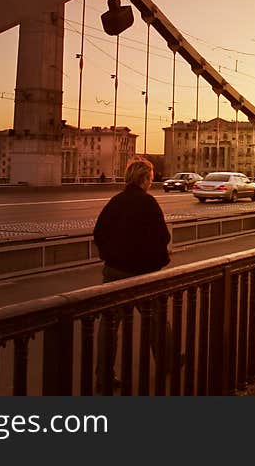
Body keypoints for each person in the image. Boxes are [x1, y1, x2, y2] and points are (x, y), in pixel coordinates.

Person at [93, 157, 173, 392]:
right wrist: (158, 263)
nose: (151, 182)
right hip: (143, 274)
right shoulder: (148, 203)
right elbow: (162, 238)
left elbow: (99, 233)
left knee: (109, 326)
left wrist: (110, 258)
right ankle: (167, 363)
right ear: (145, 179)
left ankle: (104, 376)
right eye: (150, 178)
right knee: (157, 320)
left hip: (114, 271)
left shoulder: (115, 201)